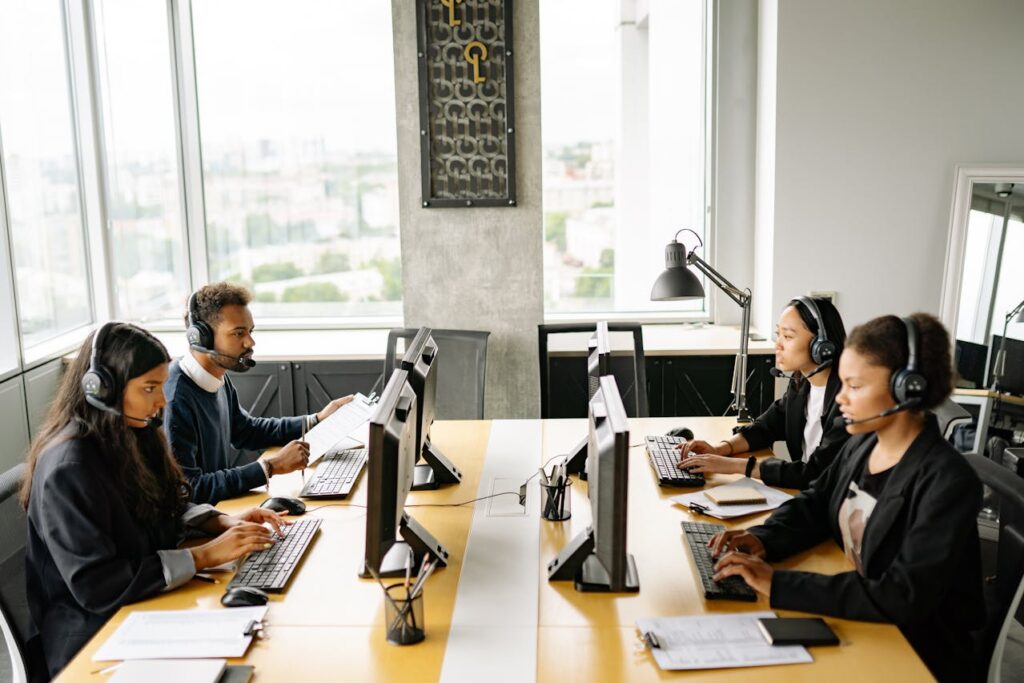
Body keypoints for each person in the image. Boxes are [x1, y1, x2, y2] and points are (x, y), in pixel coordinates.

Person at [708, 313, 984, 682]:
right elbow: (816, 502)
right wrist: (762, 538)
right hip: (863, 621)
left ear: (907, 389)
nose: (840, 398)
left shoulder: (946, 481)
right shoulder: (864, 444)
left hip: (914, 652)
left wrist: (778, 584)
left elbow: (902, 594)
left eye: (854, 386)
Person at [21, 323, 287, 678]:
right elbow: (98, 585)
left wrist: (218, 522)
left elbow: (164, 504)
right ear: (102, 389)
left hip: (142, 610)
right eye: (149, 388)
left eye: (161, 386)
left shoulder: (130, 432)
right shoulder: (69, 468)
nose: (162, 400)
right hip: (94, 636)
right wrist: (204, 555)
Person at [163, 283, 353, 504]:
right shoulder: (176, 399)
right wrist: (270, 467)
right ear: (201, 337)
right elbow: (190, 489)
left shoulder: (218, 378)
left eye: (250, 331)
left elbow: (246, 431)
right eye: (238, 333)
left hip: (220, 514)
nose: (250, 342)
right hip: (199, 529)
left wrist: (317, 420)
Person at [677, 296, 850, 489]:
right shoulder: (800, 383)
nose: (778, 345)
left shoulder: (848, 400)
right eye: (779, 335)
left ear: (821, 346)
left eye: (788, 336)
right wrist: (720, 449)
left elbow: (816, 472)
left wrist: (733, 465)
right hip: (809, 497)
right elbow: (767, 427)